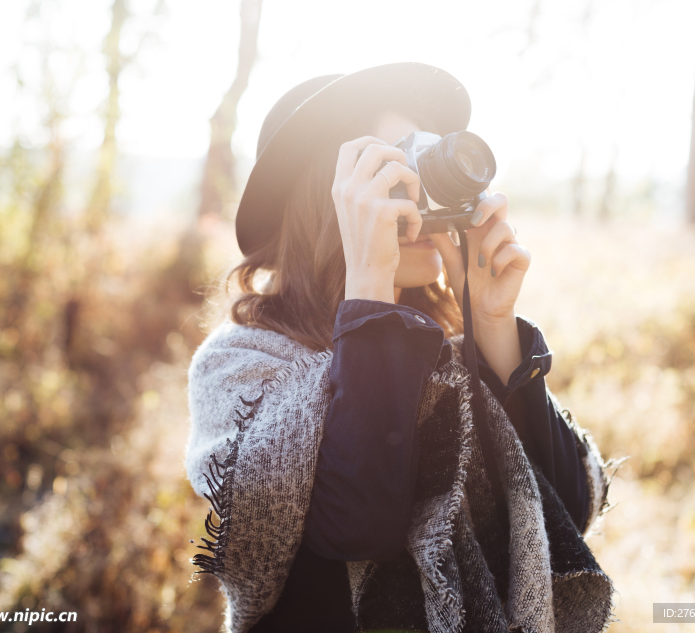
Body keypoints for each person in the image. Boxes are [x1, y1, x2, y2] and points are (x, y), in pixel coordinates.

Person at [185, 63, 614, 633]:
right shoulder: (240, 365)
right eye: (394, 170)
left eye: (426, 161)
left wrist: (492, 327)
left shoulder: (448, 356)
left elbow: (567, 508)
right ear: (328, 201)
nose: (420, 193)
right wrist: (369, 288)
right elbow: (355, 528)